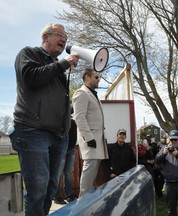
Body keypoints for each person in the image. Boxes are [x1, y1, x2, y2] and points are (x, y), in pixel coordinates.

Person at [9, 23, 79, 216]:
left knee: (50, 189)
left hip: (57, 135)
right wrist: (64, 64)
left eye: (66, 36)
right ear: (46, 37)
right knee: (37, 189)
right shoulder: (29, 54)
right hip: (33, 130)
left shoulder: (55, 69)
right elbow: (31, 77)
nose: (64, 39)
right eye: (59, 35)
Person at [72, 68, 109, 197]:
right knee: (89, 170)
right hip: (91, 140)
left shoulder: (92, 94)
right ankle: (82, 203)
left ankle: (87, 201)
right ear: (87, 77)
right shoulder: (81, 93)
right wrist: (89, 138)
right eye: (96, 77)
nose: (98, 79)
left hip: (97, 140)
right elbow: (79, 117)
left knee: (93, 172)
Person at [54, 114, 77, 204]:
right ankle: (56, 196)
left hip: (70, 150)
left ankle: (69, 194)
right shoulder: (58, 122)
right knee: (58, 174)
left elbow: (74, 136)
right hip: (60, 151)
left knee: (68, 173)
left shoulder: (73, 122)